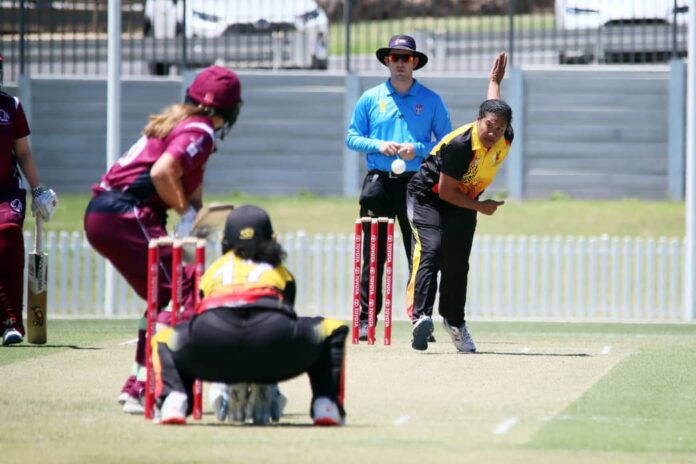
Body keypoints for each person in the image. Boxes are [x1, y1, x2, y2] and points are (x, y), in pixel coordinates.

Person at [83, 65, 242, 412]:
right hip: (124, 213)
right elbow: (162, 172)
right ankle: (162, 387)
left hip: (107, 213)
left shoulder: (182, 123)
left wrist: (195, 217)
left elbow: (190, 188)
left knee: (164, 296)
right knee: (183, 290)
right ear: (229, 109)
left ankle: (139, 387)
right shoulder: (201, 129)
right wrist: (185, 214)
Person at [151, 205, 349, 426]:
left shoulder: (214, 270)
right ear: (272, 239)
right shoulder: (280, 271)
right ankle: (325, 404)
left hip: (214, 344)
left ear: (225, 241)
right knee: (333, 328)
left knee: (163, 339)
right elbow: (288, 313)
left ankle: (174, 399)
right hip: (272, 339)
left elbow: (202, 311)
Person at [345, 35, 452, 340]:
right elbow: (352, 137)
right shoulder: (371, 98)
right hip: (378, 182)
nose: (400, 63)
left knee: (419, 253)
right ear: (387, 61)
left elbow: (446, 143)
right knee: (373, 253)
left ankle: (419, 318)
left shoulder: (431, 100)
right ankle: (365, 320)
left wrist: (416, 149)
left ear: (415, 62)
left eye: (406, 58)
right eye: (395, 57)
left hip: (416, 184)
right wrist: (379, 145)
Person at [406, 52, 511, 352]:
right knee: (433, 249)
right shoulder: (461, 146)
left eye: (499, 128)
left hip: (464, 200)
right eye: (489, 125)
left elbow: (494, 108)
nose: (493, 132)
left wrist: (494, 82)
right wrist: (482, 207)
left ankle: (454, 322)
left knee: (457, 264)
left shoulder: (503, 135)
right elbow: (446, 192)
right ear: (478, 121)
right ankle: (421, 318)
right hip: (430, 196)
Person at [0, 53, 58, 346]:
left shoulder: (11, 106)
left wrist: (38, 190)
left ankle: (12, 322)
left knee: (8, 234)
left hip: (6, 191)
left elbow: (22, 152)